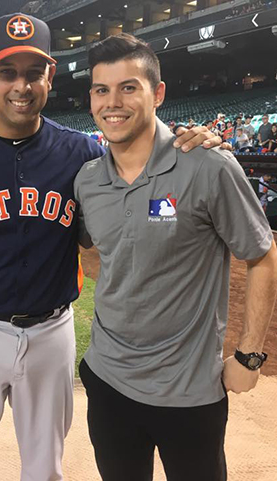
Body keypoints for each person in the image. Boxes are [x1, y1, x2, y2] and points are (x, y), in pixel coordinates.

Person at [0, 14, 223, 481]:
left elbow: (145, 166)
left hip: (52, 333)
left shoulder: (85, 156)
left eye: (34, 72)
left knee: (45, 469)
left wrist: (197, 140)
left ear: (51, 75)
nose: (21, 86)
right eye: (8, 72)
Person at [74, 33, 277, 481]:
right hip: (107, 380)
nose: (113, 102)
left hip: (189, 392)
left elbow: (262, 255)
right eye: (101, 90)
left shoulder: (208, 166)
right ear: (91, 98)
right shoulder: (87, 179)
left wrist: (249, 357)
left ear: (158, 93)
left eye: (129, 87)